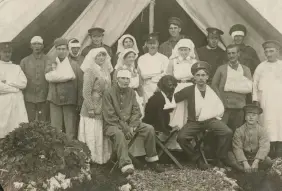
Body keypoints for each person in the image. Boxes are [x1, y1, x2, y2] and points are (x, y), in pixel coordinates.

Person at [102, 69, 164, 175]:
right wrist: (126, 128)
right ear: (117, 79)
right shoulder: (108, 92)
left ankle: (152, 160)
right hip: (113, 125)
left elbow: (136, 110)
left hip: (130, 124)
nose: (126, 81)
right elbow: (109, 115)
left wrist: (132, 125)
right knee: (119, 134)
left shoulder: (131, 92)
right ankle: (125, 164)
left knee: (149, 129)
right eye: (123, 78)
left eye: (127, 79)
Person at [175, 61, 233, 169]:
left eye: (203, 75)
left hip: (211, 121)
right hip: (194, 122)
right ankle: (197, 159)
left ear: (207, 77)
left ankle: (220, 157)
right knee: (181, 138)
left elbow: (219, 104)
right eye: (198, 75)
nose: (200, 78)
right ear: (194, 78)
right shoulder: (189, 90)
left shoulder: (212, 90)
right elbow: (173, 98)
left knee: (227, 132)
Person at [78, 48, 113, 164]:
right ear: (94, 57)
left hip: (104, 104)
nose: (101, 58)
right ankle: (91, 159)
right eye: (99, 56)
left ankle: (101, 159)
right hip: (92, 104)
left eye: (103, 55)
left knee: (100, 133)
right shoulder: (90, 71)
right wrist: (90, 108)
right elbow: (86, 92)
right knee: (91, 133)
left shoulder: (106, 71)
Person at [45, 38, 83, 139]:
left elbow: (80, 84)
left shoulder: (74, 65)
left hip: (70, 100)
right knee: (55, 128)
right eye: (59, 49)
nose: (61, 51)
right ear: (56, 50)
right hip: (54, 99)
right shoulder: (51, 63)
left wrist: (79, 101)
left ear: (67, 50)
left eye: (63, 49)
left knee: (70, 128)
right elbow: (48, 77)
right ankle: (56, 151)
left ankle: (70, 150)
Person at [212, 44, 252, 132]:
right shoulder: (221, 69)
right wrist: (220, 100)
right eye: (229, 53)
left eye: (233, 53)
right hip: (224, 106)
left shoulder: (245, 69)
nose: (231, 56)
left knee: (237, 132)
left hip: (239, 106)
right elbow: (214, 85)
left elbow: (249, 87)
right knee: (222, 132)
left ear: (239, 54)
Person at [253, 40, 282, 158]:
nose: (269, 54)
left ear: (278, 51)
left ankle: (280, 150)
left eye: (271, 51)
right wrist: (255, 100)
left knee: (280, 124)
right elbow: (254, 84)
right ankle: (269, 151)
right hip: (265, 102)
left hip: (280, 101)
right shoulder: (261, 67)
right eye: (266, 52)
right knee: (267, 124)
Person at [166, 38, 197, 129]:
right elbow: (169, 76)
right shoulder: (173, 61)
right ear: (178, 50)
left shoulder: (194, 62)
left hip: (190, 87)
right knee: (177, 109)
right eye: (181, 50)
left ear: (189, 50)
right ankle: (176, 129)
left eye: (186, 50)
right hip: (177, 87)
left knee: (189, 108)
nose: (183, 52)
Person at [232, 104, 272, 172]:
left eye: (254, 115)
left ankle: (249, 169)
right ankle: (245, 169)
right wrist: (245, 162)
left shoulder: (262, 130)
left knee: (268, 161)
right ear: (245, 117)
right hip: (243, 157)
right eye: (248, 115)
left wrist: (256, 161)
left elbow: (264, 147)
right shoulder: (239, 131)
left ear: (258, 118)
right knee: (230, 158)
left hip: (256, 156)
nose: (251, 117)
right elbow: (237, 148)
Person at [143, 75, 179, 149]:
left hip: (161, 122)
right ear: (162, 86)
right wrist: (163, 129)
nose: (171, 86)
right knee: (161, 113)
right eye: (168, 83)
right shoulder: (158, 98)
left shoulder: (166, 96)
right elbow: (159, 115)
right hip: (152, 123)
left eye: (172, 84)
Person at [0, 42, 28, 138]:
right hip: (3, 103)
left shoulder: (17, 68)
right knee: (4, 127)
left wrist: (8, 82)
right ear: (0, 53)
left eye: (9, 52)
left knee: (17, 126)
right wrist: (16, 89)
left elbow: (23, 84)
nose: (7, 54)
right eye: (4, 52)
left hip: (17, 103)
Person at [20, 36, 50, 122]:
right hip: (29, 97)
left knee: (43, 122)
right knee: (30, 121)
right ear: (31, 46)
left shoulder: (48, 60)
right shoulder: (24, 61)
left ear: (43, 46)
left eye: (39, 44)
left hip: (44, 96)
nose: (37, 46)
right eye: (34, 44)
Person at [138, 32, 169, 104]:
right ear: (147, 45)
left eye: (154, 43)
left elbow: (166, 73)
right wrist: (157, 73)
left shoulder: (164, 58)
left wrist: (153, 77)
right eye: (150, 43)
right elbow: (142, 75)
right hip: (146, 88)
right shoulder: (142, 58)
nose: (152, 46)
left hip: (159, 87)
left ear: (158, 44)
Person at [113, 48, 144, 116]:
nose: (131, 59)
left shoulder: (136, 70)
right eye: (129, 57)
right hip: (124, 96)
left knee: (137, 115)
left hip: (136, 96)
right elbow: (115, 85)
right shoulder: (119, 70)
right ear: (124, 58)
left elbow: (140, 85)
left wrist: (142, 98)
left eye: (133, 57)